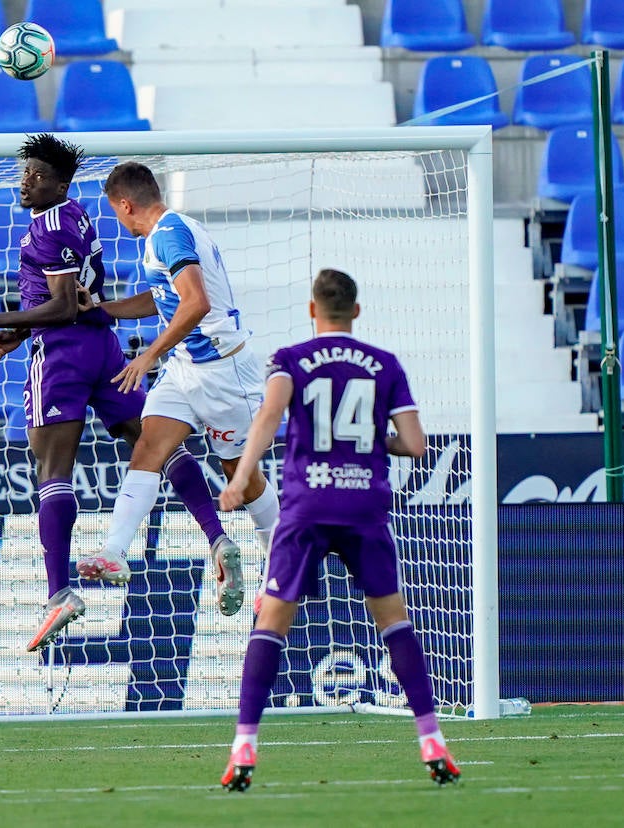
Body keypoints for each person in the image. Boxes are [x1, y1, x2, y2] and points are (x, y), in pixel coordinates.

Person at [0, 135, 243, 652]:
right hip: (102, 347)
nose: (26, 181)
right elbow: (71, 299)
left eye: (37, 175)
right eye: (25, 173)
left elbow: (63, 305)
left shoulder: (48, 227)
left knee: (52, 472)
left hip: (60, 357)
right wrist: (16, 333)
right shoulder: (77, 214)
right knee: (157, 446)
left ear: (60, 183)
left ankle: (59, 593)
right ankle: (216, 536)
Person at [216, 268, 459, 791]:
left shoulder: (289, 360)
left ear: (313, 310)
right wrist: (371, 440)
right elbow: (415, 445)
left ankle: (244, 745)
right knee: (393, 621)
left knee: (271, 621)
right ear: (356, 311)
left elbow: (269, 415)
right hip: (363, 506)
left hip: (306, 506)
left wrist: (240, 476)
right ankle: (431, 738)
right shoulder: (385, 364)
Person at [73, 162, 280, 616]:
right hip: (186, 366)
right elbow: (162, 297)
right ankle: (114, 551)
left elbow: (196, 302)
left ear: (125, 205)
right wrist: (105, 309)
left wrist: (148, 355)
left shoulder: (168, 234)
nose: (118, 219)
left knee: (240, 476)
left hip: (224, 371)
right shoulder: (165, 235)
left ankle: (281, 564)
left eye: (116, 211)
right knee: (149, 445)